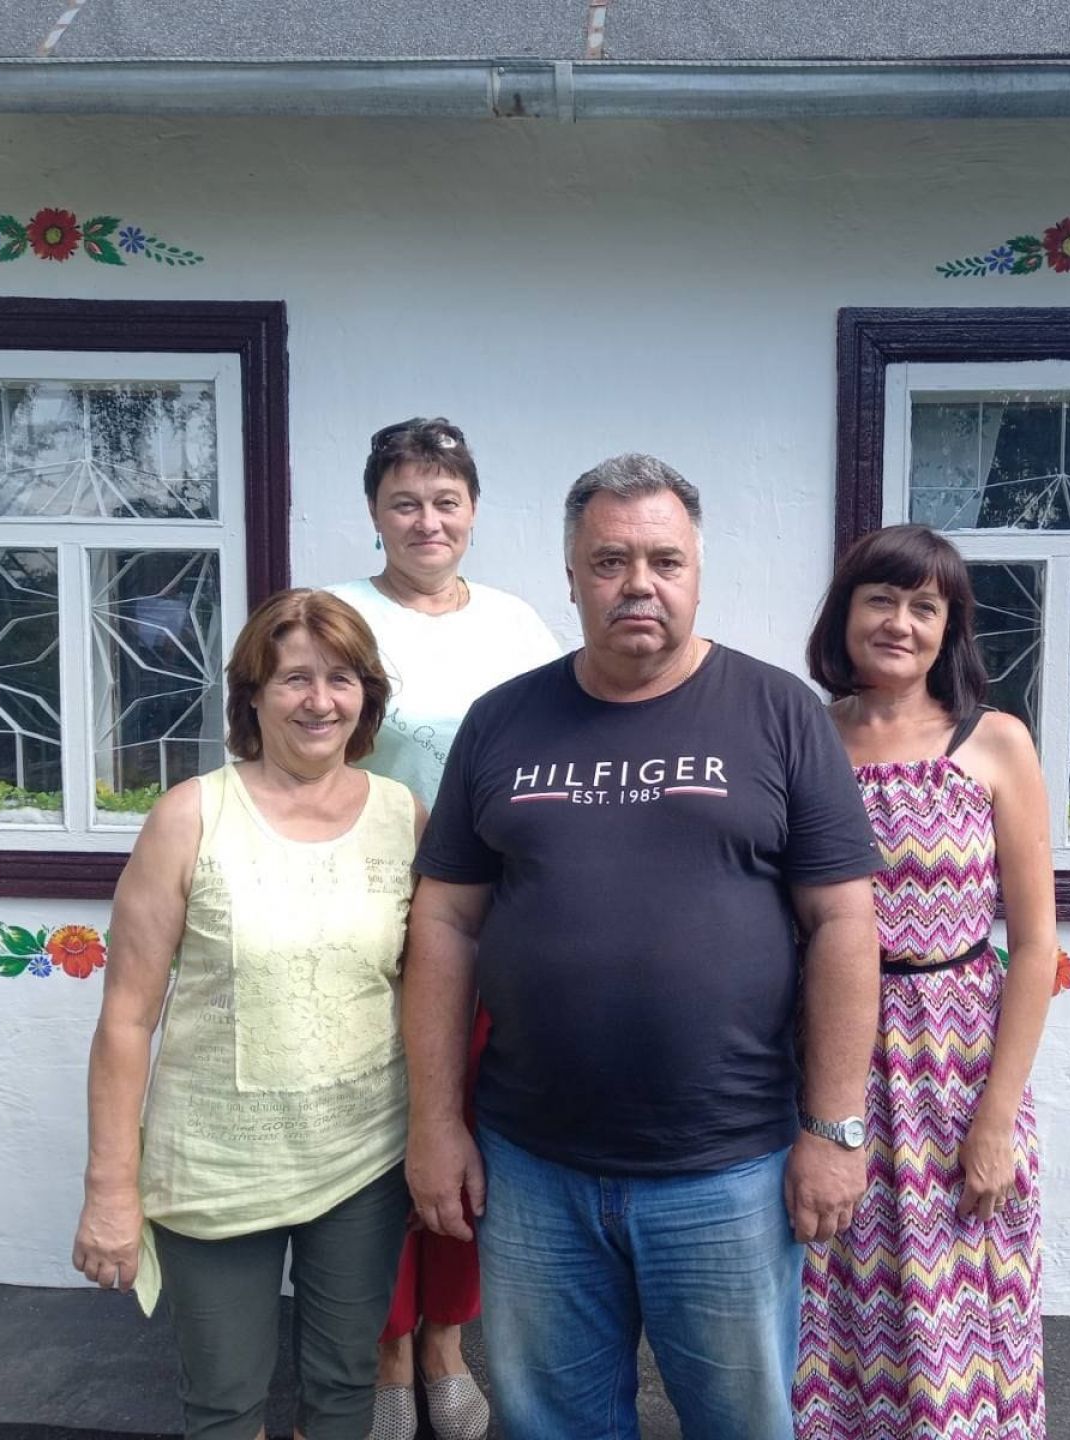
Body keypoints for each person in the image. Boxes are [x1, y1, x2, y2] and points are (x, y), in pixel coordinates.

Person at [403, 454, 883, 1440]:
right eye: (609, 561)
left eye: (664, 561)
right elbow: (444, 924)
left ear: (697, 571)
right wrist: (435, 1122)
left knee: (742, 1424)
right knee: (553, 1425)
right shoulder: (502, 721)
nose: (638, 584)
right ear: (571, 576)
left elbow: (844, 922)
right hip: (532, 1165)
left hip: (729, 1169)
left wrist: (834, 1129)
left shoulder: (778, 713)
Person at [71, 588, 419, 1440]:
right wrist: (110, 1187)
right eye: (295, 677)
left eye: (341, 678)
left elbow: (420, 992)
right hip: (216, 1167)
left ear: (366, 697)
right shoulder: (191, 816)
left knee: (344, 1389)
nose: (319, 700)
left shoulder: (403, 818)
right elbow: (126, 1018)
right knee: (224, 1403)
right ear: (253, 694)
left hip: (363, 1160)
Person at [794, 524, 1058, 1440]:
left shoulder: (994, 742)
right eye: (881, 600)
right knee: (833, 1302)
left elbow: (1035, 944)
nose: (899, 623)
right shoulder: (804, 737)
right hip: (829, 1063)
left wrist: (997, 1118)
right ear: (846, 614)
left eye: (924, 606)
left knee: (960, 1316)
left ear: (950, 628)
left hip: (956, 1070)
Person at [326, 416, 559, 1440]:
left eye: (446, 501)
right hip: (362, 910)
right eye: (406, 502)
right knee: (377, 1136)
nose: (428, 520)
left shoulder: (516, 625)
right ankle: (383, 1348)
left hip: (492, 914)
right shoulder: (335, 616)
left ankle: (444, 1344)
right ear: (375, 512)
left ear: (473, 512)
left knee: (465, 1121)